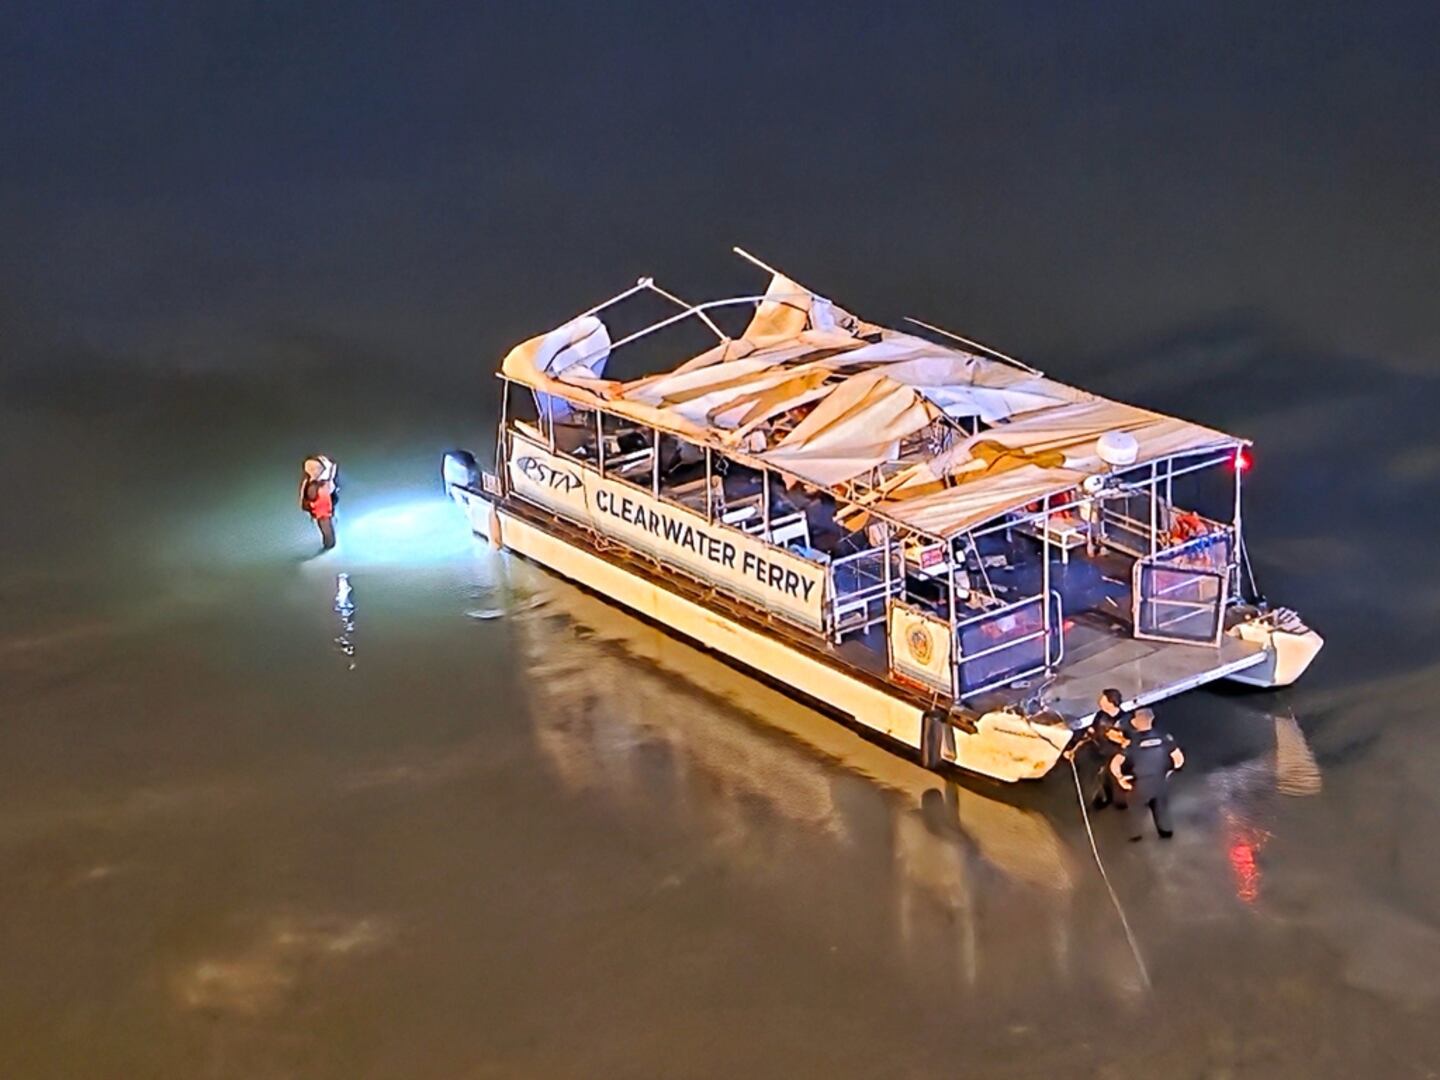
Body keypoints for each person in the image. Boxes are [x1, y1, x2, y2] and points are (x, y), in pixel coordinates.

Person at [1109, 708, 1185, 840]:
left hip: (1139, 785)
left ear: (1135, 722)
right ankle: (1165, 832)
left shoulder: (1131, 743)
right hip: (1159, 782)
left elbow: (1115, 763)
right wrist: (1169, 772)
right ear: (1152, 719)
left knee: (1136, 810)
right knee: (1161, 808)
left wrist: (1120, 778)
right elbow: (1179, 760)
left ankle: (1136, 835)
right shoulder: (1165, 738)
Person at [1064, 688, 1133, 810]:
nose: (1099, 701)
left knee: (1113, 780)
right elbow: (1090, 732)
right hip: (1098, 749)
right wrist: (1073, 749)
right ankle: (1104, 798)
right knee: (1098, 778)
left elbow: (1131, 743)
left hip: (1115, 756)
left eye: (1103, 700)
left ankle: (1121, 801)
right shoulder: (1100, 715)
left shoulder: (1125, 721)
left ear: (1111, 703)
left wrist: (1119, 740)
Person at [303, 477, 337, 550]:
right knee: (324, 520)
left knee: (324, 520)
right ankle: (329, 543)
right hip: (322, 490)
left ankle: (329, 544)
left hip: (321, 492)